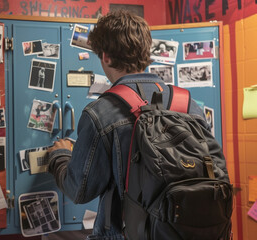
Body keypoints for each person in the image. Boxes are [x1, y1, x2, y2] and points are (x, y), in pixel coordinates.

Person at [46, 10, 222, 239]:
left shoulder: (101, 112)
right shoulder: (188, 104)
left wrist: (59, 156)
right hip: (186, 231)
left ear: (106, 56)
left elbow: (79, 190)